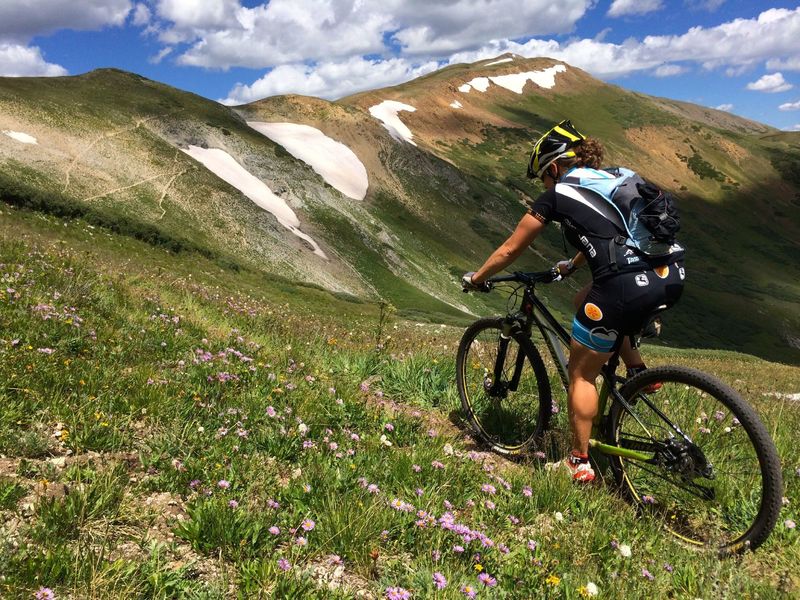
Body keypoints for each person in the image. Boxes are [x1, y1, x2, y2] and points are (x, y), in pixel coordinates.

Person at [462, 120, 685, 482]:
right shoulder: (617, 176)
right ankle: (638, 372)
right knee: (589, 298)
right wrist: (572, 264)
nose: (544, 185)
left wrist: (478, 278)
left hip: (624, 287)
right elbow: (613, 229)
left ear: (553, 167)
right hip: (670, 274)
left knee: (581, 373)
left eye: (543, 177)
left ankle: (578, 462)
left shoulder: (557, 194)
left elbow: (511, 248)